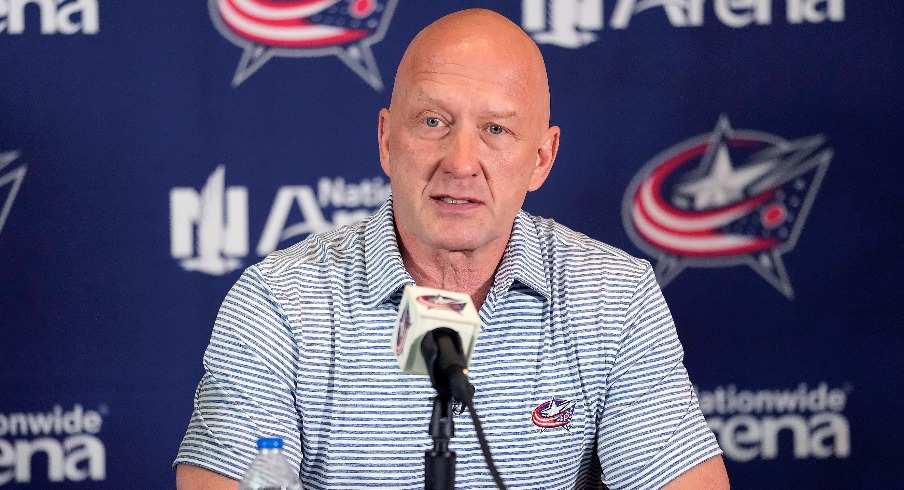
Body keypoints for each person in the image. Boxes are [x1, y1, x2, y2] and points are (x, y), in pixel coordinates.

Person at [174, 8, 729, 490]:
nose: (461, 162)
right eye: (433, 121)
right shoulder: (279, 302)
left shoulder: (611, 296)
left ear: (541, 158)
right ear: (387, 141)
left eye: (495, 130)